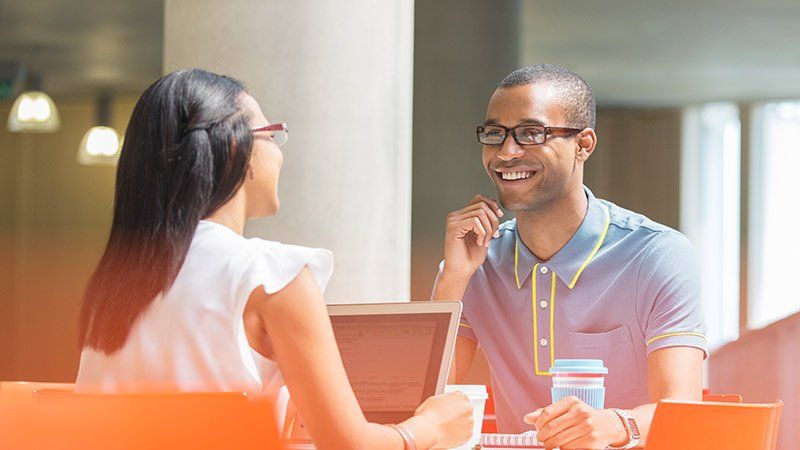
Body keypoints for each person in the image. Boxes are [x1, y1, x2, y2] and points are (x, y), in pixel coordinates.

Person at [76, 68, 472, 450]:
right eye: (273, 135)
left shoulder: (115, 284)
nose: (280, 155)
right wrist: (429, 428)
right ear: (238, 147)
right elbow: (350, 446)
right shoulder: (271, 274)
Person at [432, 63, 706, 449]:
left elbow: (682, 409)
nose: (507, 152)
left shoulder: (657, 255)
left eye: (531, 133)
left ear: (584, 144)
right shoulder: (474, 262)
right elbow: (426, 405)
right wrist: (453, 280)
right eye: (495, 134)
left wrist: (612, 425)